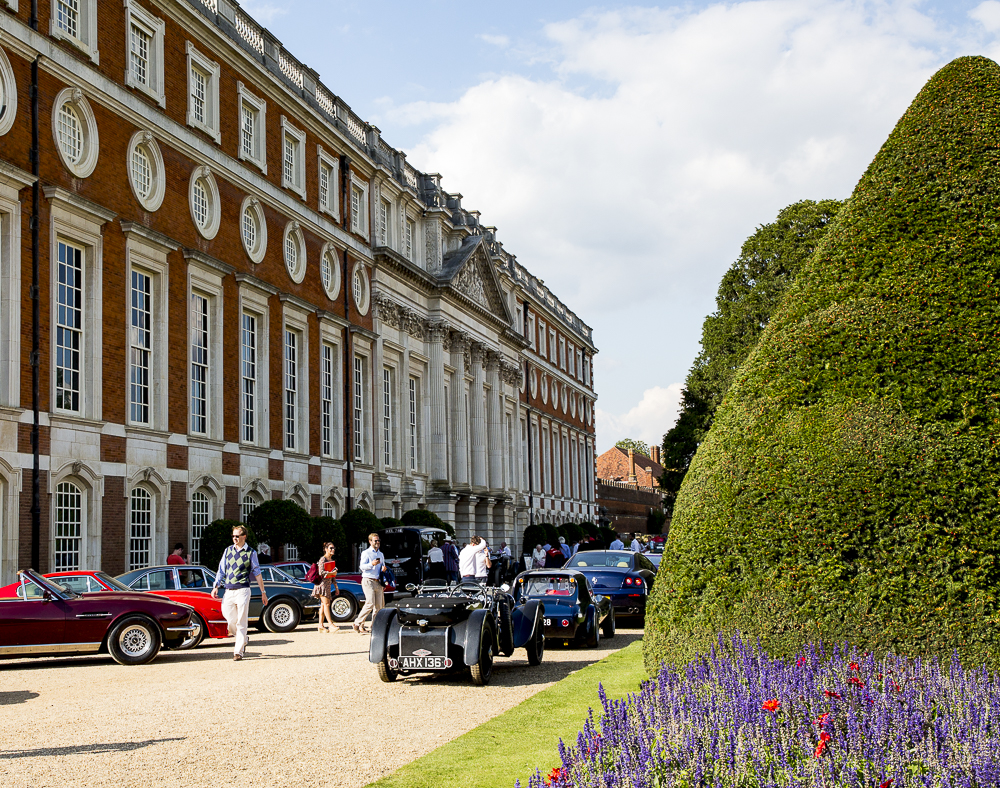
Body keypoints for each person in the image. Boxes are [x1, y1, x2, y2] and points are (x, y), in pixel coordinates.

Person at [211, 525, 268, 661]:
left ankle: (238, 651)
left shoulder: (251, 552)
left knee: (241, 622)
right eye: (233, 536)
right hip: (228, 590)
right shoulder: (228, 551)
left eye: (237, 536)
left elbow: (257, 573)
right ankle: (243, 639)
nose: (234, 539)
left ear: (244, 537)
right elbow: (221, 570)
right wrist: (216, 586)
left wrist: (263, 592)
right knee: (230, 619)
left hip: (243, 590)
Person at [354, 533, 385, 633]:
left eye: (378, 540)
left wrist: (384, 569)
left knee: (379, 606)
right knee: (370, 603)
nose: (377, 542)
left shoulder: (381, 554)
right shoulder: (366, 553)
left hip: (378, 581)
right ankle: (357, 622)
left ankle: (374, 626)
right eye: (375, 541)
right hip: (368, 579)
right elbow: (362, 567)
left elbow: (382, 566)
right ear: (370, 542)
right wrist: (371, 564)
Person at [312, 542, 339, 633]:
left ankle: (320, 625)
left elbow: (333, 576)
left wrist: (336, 586)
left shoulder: (331, 560)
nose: (333, 550)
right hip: (321, 585)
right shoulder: (322, 559)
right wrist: (332, 573)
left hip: (328, 585)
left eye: (333, 548)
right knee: (327, 604)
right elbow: (321, 572)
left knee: (323, 605)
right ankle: (330, 624)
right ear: (326, 549)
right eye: (331, 548)